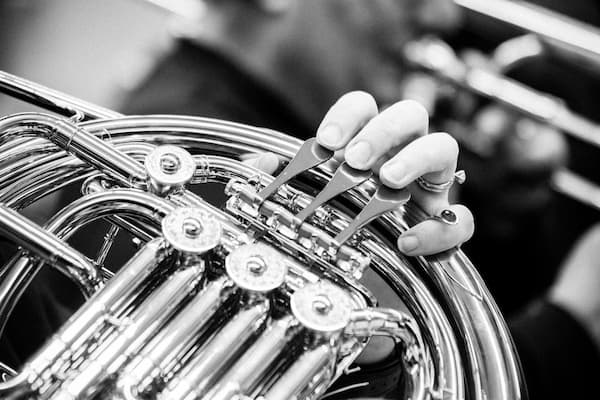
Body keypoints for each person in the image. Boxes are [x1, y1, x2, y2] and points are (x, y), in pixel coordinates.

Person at [119, 1, 600, 399]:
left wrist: (499, 221)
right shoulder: (184, 159)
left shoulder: (268, 131)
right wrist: (571, 329)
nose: (443, 17)